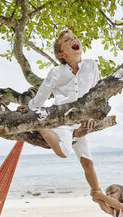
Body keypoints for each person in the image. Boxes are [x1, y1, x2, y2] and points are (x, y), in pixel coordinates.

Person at [17, 30, 103, 196]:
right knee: (64, 152)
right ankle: (39, 125)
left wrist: (94, 116)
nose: (74, 39)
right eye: (67, 40)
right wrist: (31, 108)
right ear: (62, 54)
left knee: (88, 164)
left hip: (80, 120)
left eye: (75, 37)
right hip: (61, 121)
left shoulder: (91, 65)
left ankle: (97, 193)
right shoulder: (56, 73)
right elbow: (42, 94)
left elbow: (97, 94)